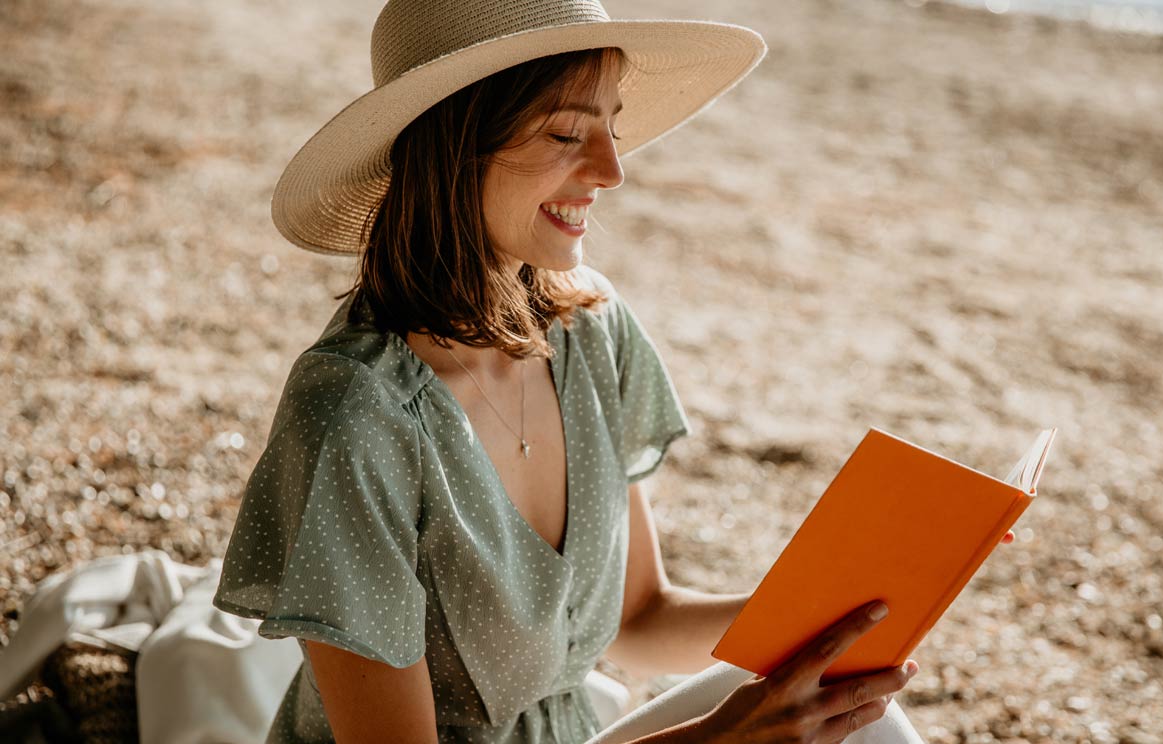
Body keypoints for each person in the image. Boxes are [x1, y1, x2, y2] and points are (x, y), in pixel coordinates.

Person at [211, 1, 949, 742]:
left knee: (863, 722)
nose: (612, 171)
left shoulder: (588, 328)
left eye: (612, 128)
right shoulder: (353, 411)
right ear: (455, 143)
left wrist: (861, 605)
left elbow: (640, 621)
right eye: (567, 132)